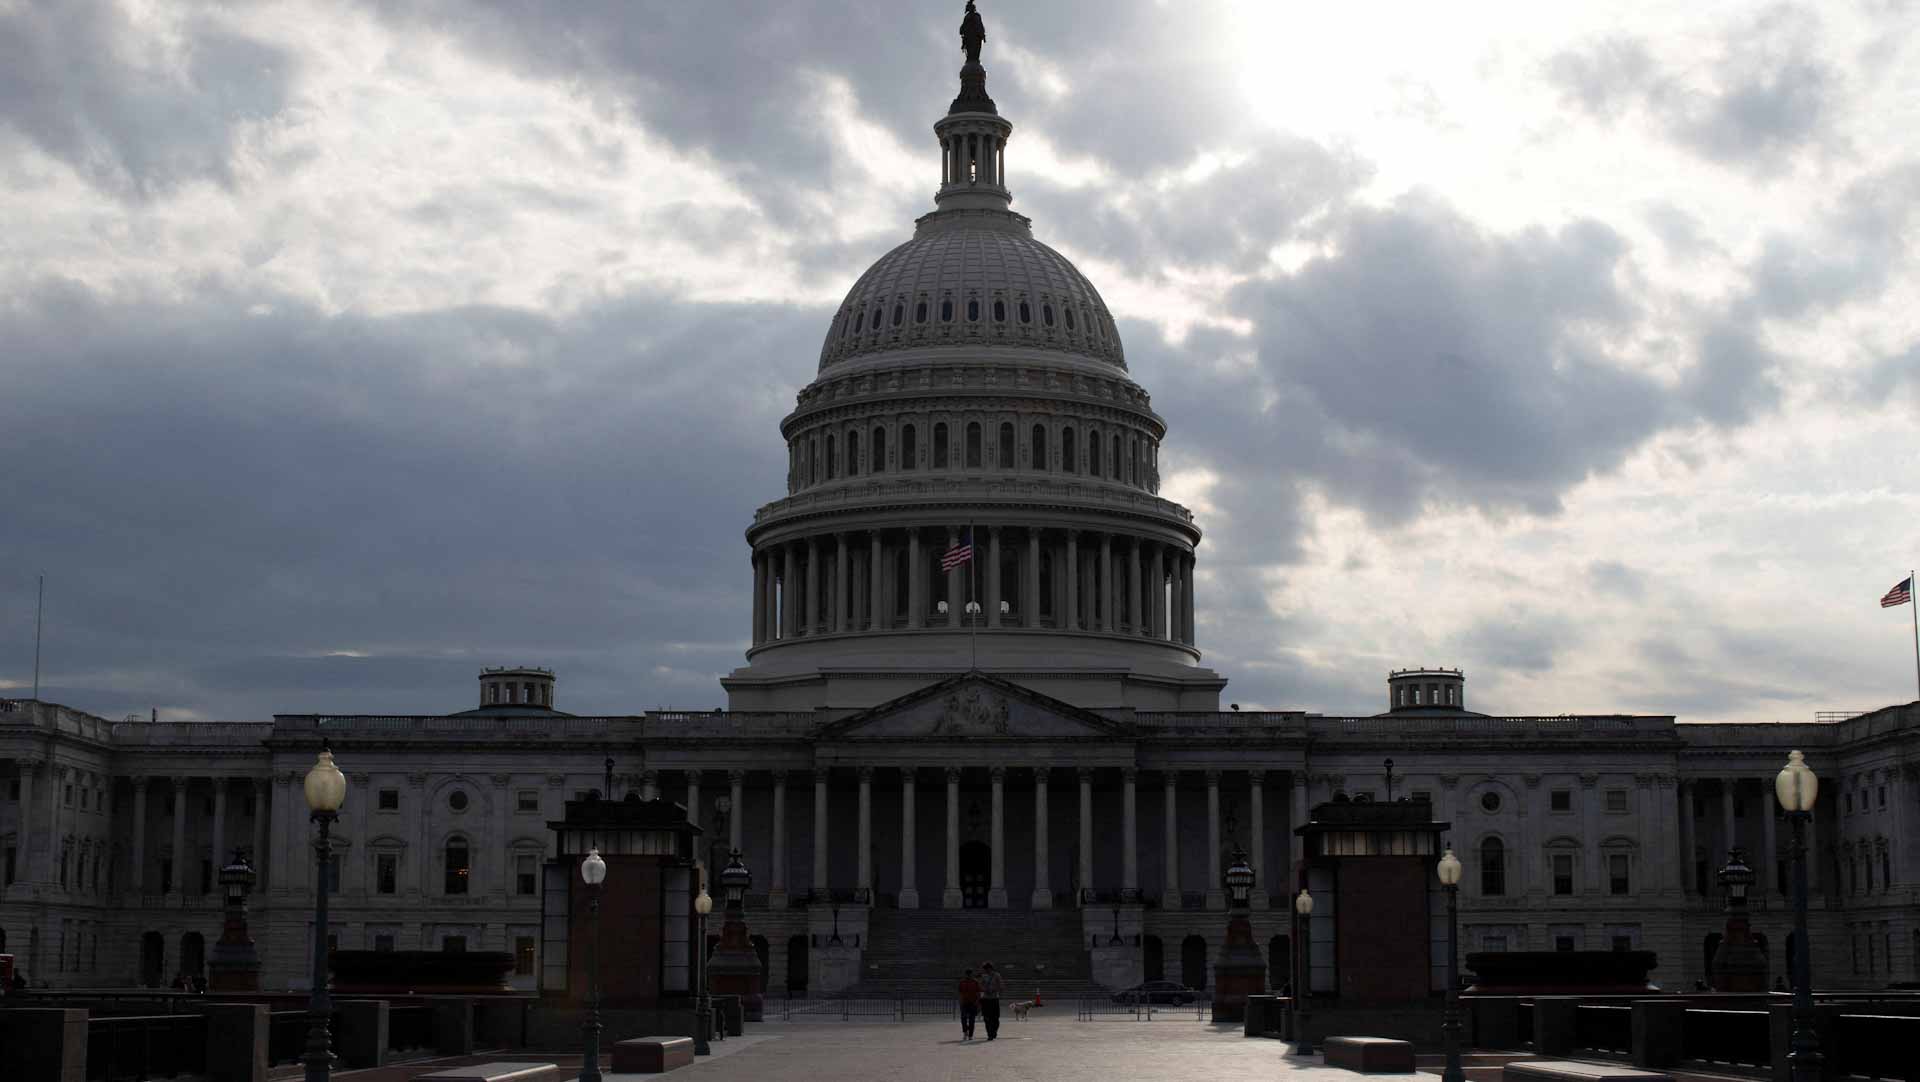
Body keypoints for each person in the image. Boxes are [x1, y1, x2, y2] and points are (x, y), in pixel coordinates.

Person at [979, 961, 1005, 1040]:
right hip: (986, 999)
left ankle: (994, 1031)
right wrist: (984, 989)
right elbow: (980, 986)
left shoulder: (997, 975)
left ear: (990, 968)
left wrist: (994, 990)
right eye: (985, 969)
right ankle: (989, 1034)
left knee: (995, 1018)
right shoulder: (983, 976)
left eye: (987, 969)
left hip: (994, 998)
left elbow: (1001, 986)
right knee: (986, 1018)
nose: (986, 970)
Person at [957, 968, 982, 1040]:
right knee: (963, 1018)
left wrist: (977, 1002)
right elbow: (960, 993)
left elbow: (978, 992)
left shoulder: (975, 982)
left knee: (972, 1020)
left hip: (973, 1003)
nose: (968, 976)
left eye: (969, 974)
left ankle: (970, 1034)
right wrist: (960, 1001)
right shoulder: (962, 982)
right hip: (964, 1002)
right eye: (967, 974)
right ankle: (965, 1032)